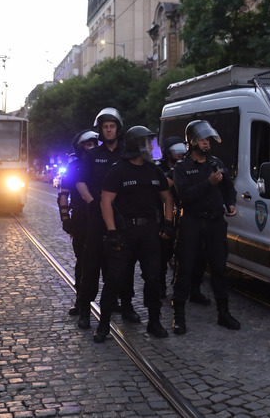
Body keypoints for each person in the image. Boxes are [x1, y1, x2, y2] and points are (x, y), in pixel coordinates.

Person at [94, 125, 176, 342]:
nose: (150, 146)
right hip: (124, 232)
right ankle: (103, 325)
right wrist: (111, 231)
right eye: (147, 142)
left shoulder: (153, 170)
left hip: (149, 232)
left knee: (152, 278)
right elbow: (106, 201)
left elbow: (167, 196)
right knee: (114, 279)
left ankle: (154, 321)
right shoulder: (118, 170)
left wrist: (168, 222)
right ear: (136, 145)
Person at [171, 120, 240, 335]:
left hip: (215, 221)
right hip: (192, 220)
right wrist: (207, 183)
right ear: (191, 142)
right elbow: (184, 196)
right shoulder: (182, 168)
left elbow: (229, 188)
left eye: (208, 139)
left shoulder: (216, 163)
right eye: (202, 139)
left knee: (219, 267)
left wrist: (230, 204)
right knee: (185, 267)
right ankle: (179, 316)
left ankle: (223, 312)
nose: (206, 143)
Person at [74, 108, 138, 330]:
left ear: (118, 129)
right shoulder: (92, 155)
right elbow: (80, 182)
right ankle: (84, 310)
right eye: (105, 127)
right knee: (91, 264)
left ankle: (127, 305)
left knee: (125, 265)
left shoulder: (127, 154)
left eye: (112, 126)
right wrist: (93, 203)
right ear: (100, 130)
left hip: (122, 219)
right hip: (97, 218)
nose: (109, 130)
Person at [157, 137, 210, 304]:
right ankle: (160, 288)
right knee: (162, 256)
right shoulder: (159, 168)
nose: (179, 154)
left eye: (181, 150)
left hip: (186, 217)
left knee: (195, 257)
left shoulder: (189, 165)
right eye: (175, 151)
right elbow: (160, 186)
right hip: (164, 217)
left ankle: (194, 290)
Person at [57, 128, 98, 316]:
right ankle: (81, 300)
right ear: (80, 147)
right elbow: (63, 196)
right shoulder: (73, 168)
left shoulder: (103, 163)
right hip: (82, 218)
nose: (92, 147)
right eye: (88, 144)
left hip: (103, 217)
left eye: (94, 144)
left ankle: (116, 300)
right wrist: (66, 219)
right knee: (83, 261)